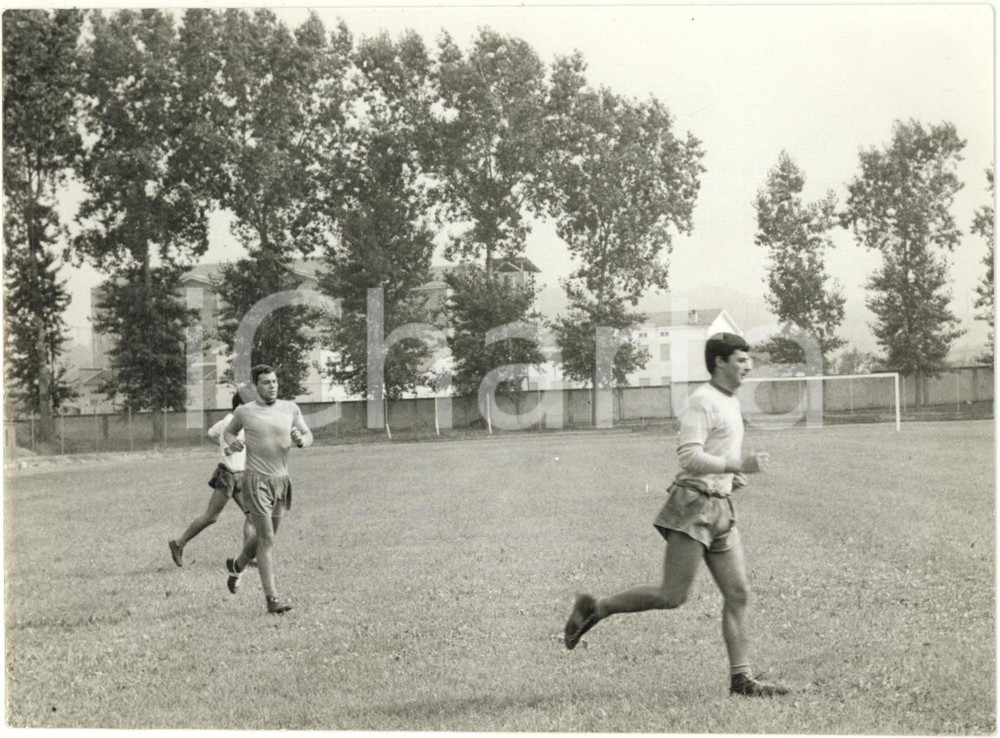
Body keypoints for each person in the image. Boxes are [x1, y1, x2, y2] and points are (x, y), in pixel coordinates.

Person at [563, 332, 790, 697]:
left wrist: (732, 475)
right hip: (693, 506)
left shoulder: (729, 400)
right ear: (719, 362)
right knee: (673, 595)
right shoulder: (702, 401)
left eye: (748, 360)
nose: (747, 366)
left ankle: (741, 679)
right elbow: (688, 456)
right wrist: (737, 462)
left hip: (720, 506)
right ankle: (597, 608)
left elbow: (715, 454)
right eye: (740, 359)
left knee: (739, 593)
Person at [223, 364, 312, 615]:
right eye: (265, 382)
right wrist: (235, 442)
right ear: (255, 387)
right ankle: (272, 600)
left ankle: (237, 566)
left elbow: (308, 434)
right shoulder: (245, 411)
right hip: (256, 481)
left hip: (282, 482)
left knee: (265, 537)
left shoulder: (291, 408)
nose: (271, 386)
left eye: (274, 381)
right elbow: (229, 433)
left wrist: (302, 440)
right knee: (267, 538)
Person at [169, 392, 255, 567]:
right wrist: (226, 449)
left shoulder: (234, 422)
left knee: (252, 516)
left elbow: (210, 433)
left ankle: (248, 557)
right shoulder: (231, 424)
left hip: (239, 475)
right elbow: (228, 448)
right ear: (239, 407)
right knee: (211, 516)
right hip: (229, 476)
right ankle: (178, 543)